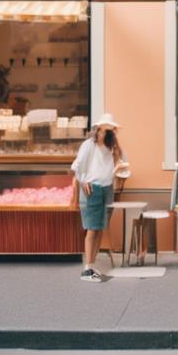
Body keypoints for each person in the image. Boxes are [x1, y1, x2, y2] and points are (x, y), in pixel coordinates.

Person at [71, 113, 129, 282]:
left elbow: (123, 163)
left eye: (109, 129)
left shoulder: (112, 146)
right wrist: (83, 181)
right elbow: (77, 165)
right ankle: (87, 269)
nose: (104, 131)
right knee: (92, 228)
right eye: (102, 128)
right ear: (97, 129)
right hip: (93, 188)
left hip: (107, 188)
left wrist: (118, 162)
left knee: (100, 228)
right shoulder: (89, 145)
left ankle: (92, 265)